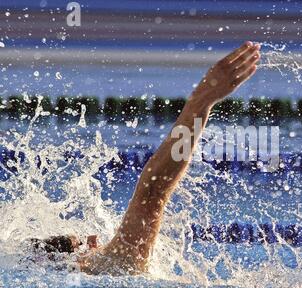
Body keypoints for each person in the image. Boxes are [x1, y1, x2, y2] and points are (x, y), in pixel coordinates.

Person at [30, 41, 261, 275]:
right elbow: (153, 191)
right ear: (76, 260)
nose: (93, 239)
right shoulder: (112, 266)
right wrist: (201, 99)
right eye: (82, 245)